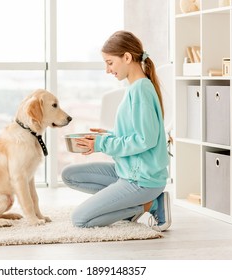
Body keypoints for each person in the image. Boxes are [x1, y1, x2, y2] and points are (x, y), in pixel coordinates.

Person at [61, 30, 171, 231]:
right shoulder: (134, 88)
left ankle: (148, 204)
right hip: (128, 172)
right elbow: (135, 133)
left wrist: (101, 144)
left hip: (142, 180)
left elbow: (146, 140)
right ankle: (131, 203)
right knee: (69, 175)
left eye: (110, 62)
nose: (107, 69)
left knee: (80, 219)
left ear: (127, 57)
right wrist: (106, 135)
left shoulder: (141, 90)